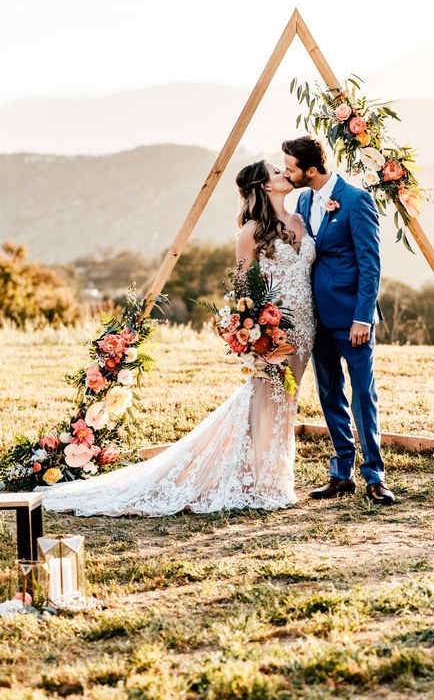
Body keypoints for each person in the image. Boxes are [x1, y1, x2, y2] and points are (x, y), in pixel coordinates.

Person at [38, 161, 315, 517]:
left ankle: (267, 477)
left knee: (286, 400)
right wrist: (255, 333)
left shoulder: (301, 220)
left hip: (307, 327)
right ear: (263, 186)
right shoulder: (251, 232)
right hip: (274, 330)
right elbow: (244, 292)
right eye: (276, 171)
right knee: (268, 398)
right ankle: (264, 483)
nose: (284, 173)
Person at [282, 135, 395, 505]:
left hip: (352, 319)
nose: (287, 173)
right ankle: (341, 472)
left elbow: (370, 264)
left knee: (363, 394)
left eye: (291, 168)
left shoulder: (356, 200)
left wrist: (363, 317)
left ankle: (374, 476)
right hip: (316, 316)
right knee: (330, 393)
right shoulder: (301, 199)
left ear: (311, 170)